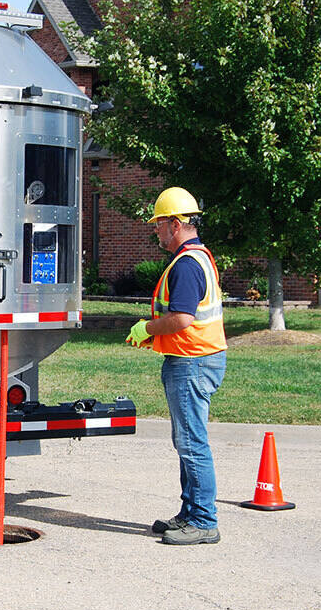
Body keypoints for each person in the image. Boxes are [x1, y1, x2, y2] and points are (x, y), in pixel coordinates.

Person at [125, 187, 227, 546]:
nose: (156, 230)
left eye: (159, 224)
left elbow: (182, 318)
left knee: (191, 442)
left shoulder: (186, 264)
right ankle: (190, 513)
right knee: (186, 440)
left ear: (177, 223)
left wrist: (147, 328)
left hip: (192, 361)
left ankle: (203, 521)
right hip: (198, 358)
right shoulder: (198, 258)